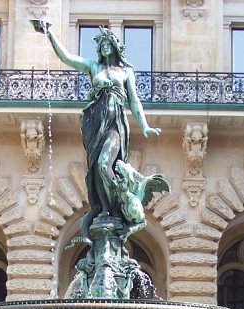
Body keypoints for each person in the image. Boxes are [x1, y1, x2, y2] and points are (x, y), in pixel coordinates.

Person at [33, 21, 161, 242]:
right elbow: (67, 58)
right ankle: (104, 209)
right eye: (100, 45)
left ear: (114, 45)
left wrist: (145, 125)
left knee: (104, 164)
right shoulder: (94, 67)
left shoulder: (126, 71)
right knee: (95, 170)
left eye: (106, 43)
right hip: (95, 122)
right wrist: (50, 33)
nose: (103, 47)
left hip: (115, 122)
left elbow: (134, 101)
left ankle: (117, 204)